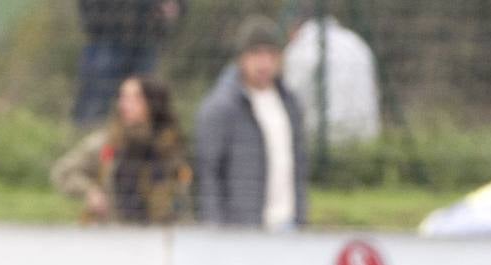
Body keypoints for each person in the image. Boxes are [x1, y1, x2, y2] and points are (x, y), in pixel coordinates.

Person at [195, 14, 308, 229]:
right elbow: (208, 176)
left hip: (288, 225)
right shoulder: (220, 108)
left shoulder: (290, 104)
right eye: (256, 54)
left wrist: (301, 216)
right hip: (243, 232)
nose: (264, 63)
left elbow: (299, 167)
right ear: (241, 58)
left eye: (271, 54)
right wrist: (214, 231)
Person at [51, 74, 192, 224]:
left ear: (153, 102)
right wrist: (90, 191)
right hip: (113, 237)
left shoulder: (173, 148)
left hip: (159, 236)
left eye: (135, 98)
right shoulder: (105, 143)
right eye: (123, 97)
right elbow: (64, 171)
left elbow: (185, 200)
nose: (124, 104)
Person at [72, 0, 186, 126]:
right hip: (106, 34)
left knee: (142, 102)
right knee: (95, 100)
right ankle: (87, 137)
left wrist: (176, 5)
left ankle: (135, 140)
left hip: (146, 35)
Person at [282, 12, 382, 146]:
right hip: (366, 138)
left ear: (294, 27)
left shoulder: (300, 49)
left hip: (323, 140)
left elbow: (291, 98)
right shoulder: (356, 42)